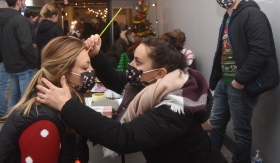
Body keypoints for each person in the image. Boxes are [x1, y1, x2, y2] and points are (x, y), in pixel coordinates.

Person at [36, 33, 227, 163]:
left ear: (160, 73)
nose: (131, 66)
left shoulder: (177, 106)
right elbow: (116, 79)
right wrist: (96, 55)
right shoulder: (151, 84)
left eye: (138, 62)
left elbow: (124, 138)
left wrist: (67, 106)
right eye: (133, 58)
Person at [209, 0, 279, 163]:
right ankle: (209, 158)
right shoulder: (227, 18)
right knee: (215, 125)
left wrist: (239, 81)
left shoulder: (252, 14)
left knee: (241, 131)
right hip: (224, 83)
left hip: (240, 84)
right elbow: (223, 53)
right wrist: (215, 80)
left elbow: (260, 51)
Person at [0, 36, 90, 163]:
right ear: (63, 74)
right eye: (85, 68)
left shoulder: (66, 106)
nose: (92, 71)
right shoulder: (44, 125)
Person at [0, 0, 37, 109]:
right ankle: (21, 125)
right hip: (24, 66)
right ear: (19, 2)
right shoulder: (20, 20)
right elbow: (26, 45)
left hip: (10, 65)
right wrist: (33, 62)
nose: (24, 3)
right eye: (24, 0)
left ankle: (12, 122)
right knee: (26, 100)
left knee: (15, 96)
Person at [35, 4, 65, 69]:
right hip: (54, 63)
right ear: (54, 15)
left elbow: (36, 43)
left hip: (41, 61)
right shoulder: (56, 27)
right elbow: (63, 46)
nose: (57, 18)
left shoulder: (38, 28)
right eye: (57, 16)